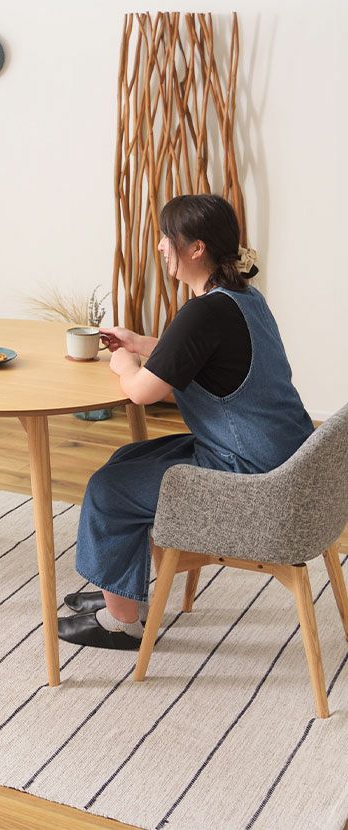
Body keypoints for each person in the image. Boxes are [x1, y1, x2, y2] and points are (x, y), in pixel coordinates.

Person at [58, 194, 314, 649]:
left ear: (196, 248)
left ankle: (121, 624)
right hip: (284, 459)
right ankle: (123, 594)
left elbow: (142, 392)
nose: (160, 246)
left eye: (167, 237)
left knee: (109, 489)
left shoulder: (204, 312)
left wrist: (124, 365)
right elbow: (198, 351)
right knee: (126, 459)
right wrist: (139, 343)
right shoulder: (241, 297)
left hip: (249, 474)